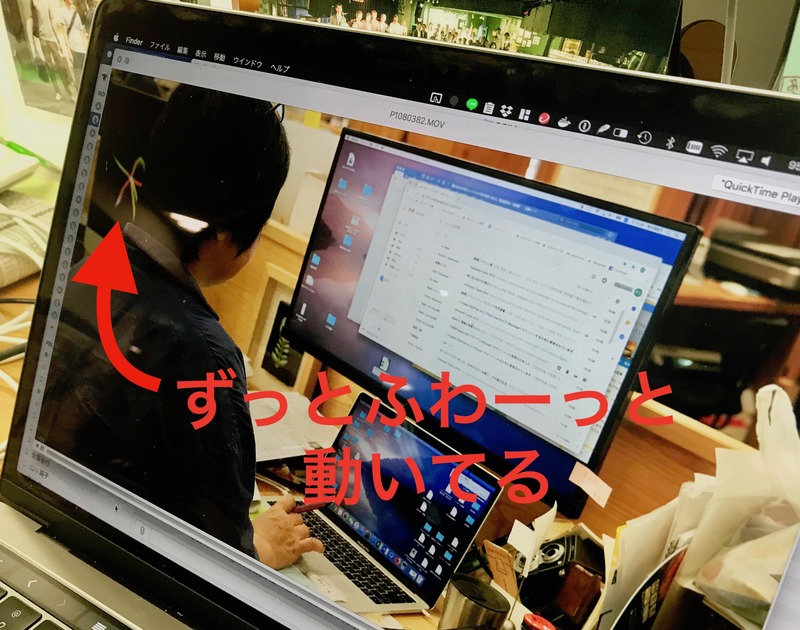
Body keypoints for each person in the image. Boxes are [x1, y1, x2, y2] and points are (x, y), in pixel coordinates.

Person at [37, 85, 323, 569]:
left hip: (53, 536)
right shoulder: (206, 356)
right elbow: (221, 560)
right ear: (229, 231)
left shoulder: (81, 272)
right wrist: (259, 546)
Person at [60, 0, 88, 74]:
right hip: (73, 47)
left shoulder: (75, 12)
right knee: (78, 72)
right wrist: (69, 52)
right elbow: (65, 34)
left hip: (82, 47)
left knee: (85, 70)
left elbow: (81, 31)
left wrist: (86, 47)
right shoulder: (62, 12)